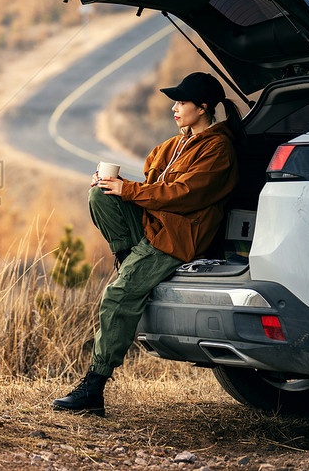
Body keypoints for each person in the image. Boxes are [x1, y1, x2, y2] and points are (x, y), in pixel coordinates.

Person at [53, 72, 241, 417]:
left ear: (203, 107)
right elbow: (151, 188)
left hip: (179, 238)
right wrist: (117, 185)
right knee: (100, 195)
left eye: (181, 102)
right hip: (154, 228)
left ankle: (94, 387)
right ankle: (130, 260)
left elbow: (184, 195)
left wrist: (131, 190)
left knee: (118, 295)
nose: (174, 107)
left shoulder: (218, 149)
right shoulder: (175, 144)